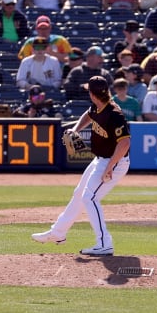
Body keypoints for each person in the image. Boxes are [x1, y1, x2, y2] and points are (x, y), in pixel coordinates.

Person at [32, 76, 130, 256]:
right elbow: (88, 114)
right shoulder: (98, 106)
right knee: (80, 194)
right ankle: (57, 233)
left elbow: (125, 144)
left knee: (89, 198)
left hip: (114, 162)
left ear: (93, 95)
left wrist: (110, 167)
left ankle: (104, 243)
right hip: (101, 159)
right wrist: (76, 129)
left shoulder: (114, 114)